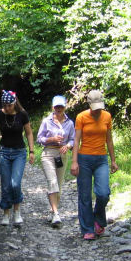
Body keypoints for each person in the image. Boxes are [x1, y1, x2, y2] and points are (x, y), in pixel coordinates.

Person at [70, 90, 119, 240]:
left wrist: (113, 160)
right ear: (89, 104)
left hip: (101, 159)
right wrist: (74, 161)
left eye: (100, 106)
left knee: (103, 193)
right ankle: (87, 229)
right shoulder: (81, 117)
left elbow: (109, 140)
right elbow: (76, 140)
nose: (98, 110)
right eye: (95, 106)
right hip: (84, 158)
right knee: (84, 195)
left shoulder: (107, 116)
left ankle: (98, 220)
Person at [0, 90, 35, 226]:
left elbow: (29, 133)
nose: (6, 108)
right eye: (4, 105)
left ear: (14, 103)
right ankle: (6, 213)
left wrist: (31, 151)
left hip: (19, 152)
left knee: (15, 183)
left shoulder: (22, 114)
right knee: (6, 184)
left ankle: (17, 211)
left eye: (9, 105)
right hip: (4, 152)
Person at [36, 95, 75, 227]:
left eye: (61, 106)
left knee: (59, 185)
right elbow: (39, 138)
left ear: (65, 107)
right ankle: (56, 213)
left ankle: (53, 211)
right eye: (57, 106)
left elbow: (73, 139)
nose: (59, 108)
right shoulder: (46, 121)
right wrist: (51, 139)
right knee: (52, 182)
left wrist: (68, 146)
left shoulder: (69, 123)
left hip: (62, 154)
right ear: (53, 107)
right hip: (48, 153)